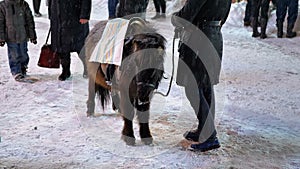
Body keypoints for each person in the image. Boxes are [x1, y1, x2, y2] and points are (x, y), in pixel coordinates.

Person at [171, 0, 231, 152]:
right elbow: (224, 17)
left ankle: (210, 135)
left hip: (199, 38)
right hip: (214, 36)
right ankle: (204, 130)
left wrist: (175, 18)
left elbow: (186, 15)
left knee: (193, 88)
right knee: (205, 85)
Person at [48, 0, 91, 81]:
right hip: (58, 15)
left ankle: (87, 67)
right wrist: (51, 13)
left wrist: (85, 15)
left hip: (75, 15)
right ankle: (65, 70)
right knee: (62, 47)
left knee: (81, 47)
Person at [0, 0, 37, 81]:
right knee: (14, 55)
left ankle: (23, 67)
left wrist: (32, 35)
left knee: (24, 54)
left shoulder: (23, 4)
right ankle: (16, 71)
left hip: (23, 35)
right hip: (10, 36)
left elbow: (29, 20)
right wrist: (1, 37)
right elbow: (0, 23)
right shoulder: (3, 6)